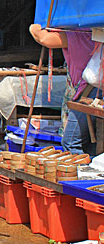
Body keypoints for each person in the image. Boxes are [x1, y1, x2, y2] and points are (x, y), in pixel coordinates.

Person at [29, 23, 100, 153]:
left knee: (71, 142)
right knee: (90, 143)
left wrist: (35, 26)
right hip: (93, 92)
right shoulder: (92, 31)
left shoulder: (80, 34)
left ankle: (82, 172)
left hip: (89, 93)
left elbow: (44, 39)